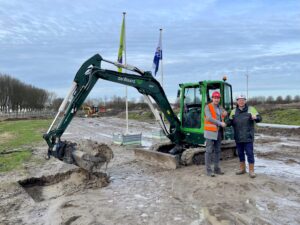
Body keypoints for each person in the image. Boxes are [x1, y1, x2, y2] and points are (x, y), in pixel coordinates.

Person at [226, 94, 262, 178]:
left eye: (243, 100)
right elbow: (229, 122)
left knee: (250, 153)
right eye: (239, 100)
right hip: (238, 137)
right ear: (237, 101)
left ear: (245, 101)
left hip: (248, 137)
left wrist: (255, 118)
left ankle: (251, 171)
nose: (241, 101)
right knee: (240, 153)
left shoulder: (251, 109)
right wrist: (224, 121)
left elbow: (259, 118)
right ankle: (242, 169)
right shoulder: (233, 111)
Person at [204, 91, 227, 177]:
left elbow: (224, 112)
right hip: (210, 132)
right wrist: (220, 123)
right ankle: (209, 171)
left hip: (218, 132)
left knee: (217, 151)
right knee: (209, 151)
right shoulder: (208, 107)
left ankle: (217, 169)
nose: (216, 99)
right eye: (215, 98)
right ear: (212, 98)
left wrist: (225, 113)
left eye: (218, 98)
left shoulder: (219, 107)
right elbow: (209, 118)